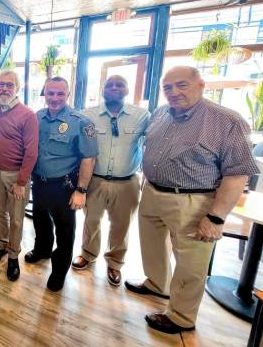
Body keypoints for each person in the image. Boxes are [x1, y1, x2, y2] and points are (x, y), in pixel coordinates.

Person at [124, 66, 259, 334]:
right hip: (152, 192)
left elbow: (237, 174)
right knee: (152, 245)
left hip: (193, 201)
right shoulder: (162, 112)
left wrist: (216, 217)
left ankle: (181, 316)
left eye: (182, 85)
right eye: (168, 87)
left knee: (190, 261)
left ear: (201, 84)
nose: (174, 92)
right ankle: (157, 284)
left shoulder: (226, 121)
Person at [72, 76, 150, 286]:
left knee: (121, 226)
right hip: (95, 180)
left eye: (119, 84)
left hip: (127, 182)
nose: (114, 88)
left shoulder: (142, 116)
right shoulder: (87, 116)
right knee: (91, 221)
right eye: (109, 85)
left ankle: (115, 262)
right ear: (102, 90)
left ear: (127, 89)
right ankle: (87, 254)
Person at [26, 76, 97, 292]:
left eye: (59, 93)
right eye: (50, 93)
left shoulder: (81, 122)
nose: (54, 98)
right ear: (44, 94)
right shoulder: (37, 117)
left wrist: (81, 190)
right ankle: (42, 250)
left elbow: (89, 158)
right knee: (40, 219)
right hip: (39, 182)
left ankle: (59, 271)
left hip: (64, 185)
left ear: (68, 94)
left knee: (65, 231)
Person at [0, 70, 38, 281]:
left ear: (18, 88)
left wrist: (21, 181)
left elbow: (32, 152)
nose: (5, 89)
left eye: (9, 85)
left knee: (17, 219)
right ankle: (2, 244)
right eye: (1, 85)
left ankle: (13, 256)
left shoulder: (28, 115)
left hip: (17, 175)